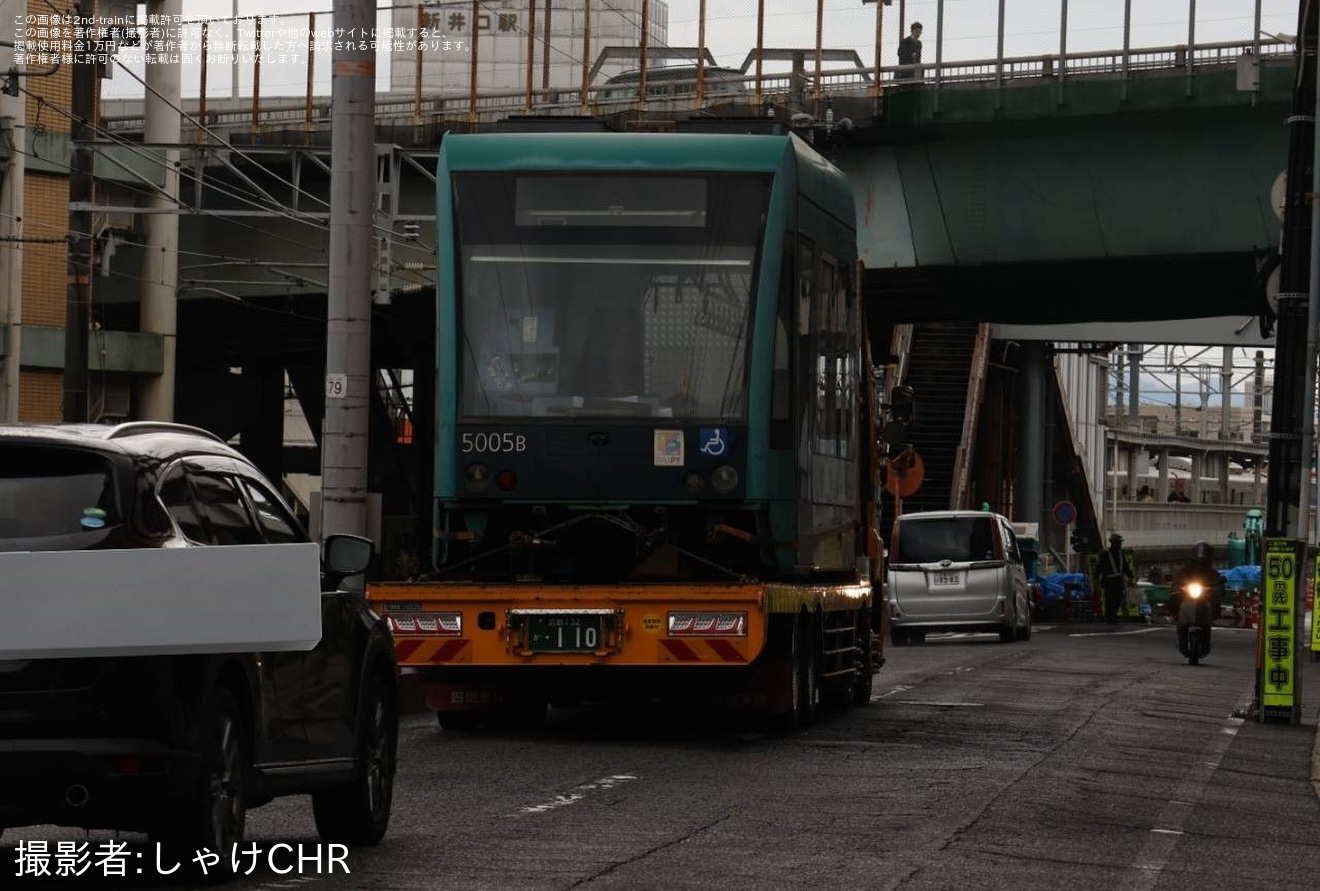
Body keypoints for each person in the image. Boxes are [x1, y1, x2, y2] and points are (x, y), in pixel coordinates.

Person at [1168, 540, 1223, 653]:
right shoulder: (1185, 570)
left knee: (1212, 608)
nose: (1201, 556)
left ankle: (1205, 642)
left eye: (1204, 553)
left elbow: (1218, 584)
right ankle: (1180, 630)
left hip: (1205, 598)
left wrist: (1217, 588)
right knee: (1176, 603)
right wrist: (1177, 587)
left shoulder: (1212, 572)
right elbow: (1178, 580)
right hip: (1188, 596)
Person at [1099, 533, 1134, 624]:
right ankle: (1110, 617)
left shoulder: (1121, 554)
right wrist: (1096, 577)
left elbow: (1125, 566)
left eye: (1120, 543)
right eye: (1118, 543)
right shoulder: (1105, 554)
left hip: (1118, 580)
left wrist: (1130, 575)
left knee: (1118, 598)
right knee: (1110, 599)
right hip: (1109, 580)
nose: (1120, 544)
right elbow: (1100, 567)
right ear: (1113, 543)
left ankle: (1113, 615)